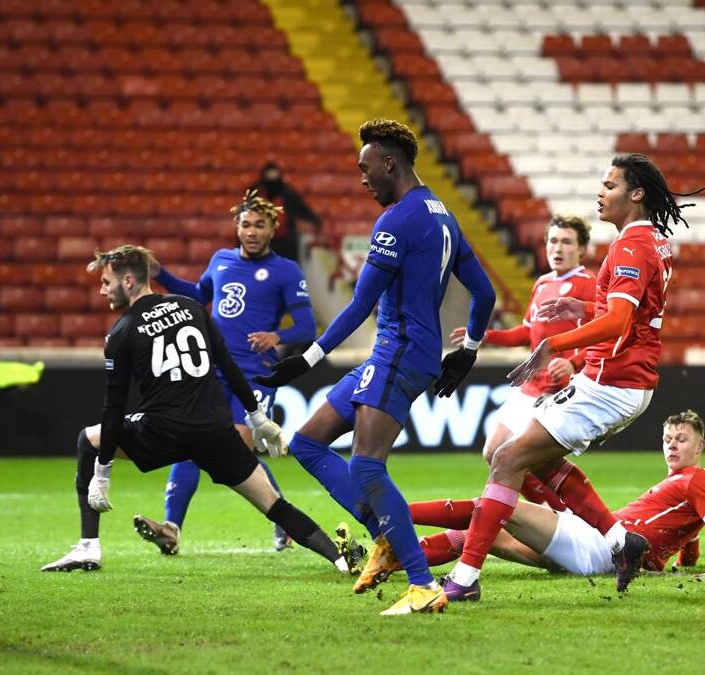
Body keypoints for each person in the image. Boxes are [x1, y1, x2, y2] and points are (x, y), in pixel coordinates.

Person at [254, 119, 497, 615]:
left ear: (390, 163)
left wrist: (308, 359)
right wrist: (467, 350)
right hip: (410, 353)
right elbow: (485, 292)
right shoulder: (443, 215)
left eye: (366, 168)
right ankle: (386, 535)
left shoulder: (397, 221)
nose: (362, 179)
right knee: (307, 441)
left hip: (399, 352)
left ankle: (423, 582)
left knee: (366, 466)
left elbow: (361, 303)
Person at [442, 154, 703, 602]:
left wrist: (556, 344)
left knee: (505, 459)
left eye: (610, 185)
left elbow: (620, 322)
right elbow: (632, 314)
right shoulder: (653, 242)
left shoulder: (630, 247)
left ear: (635, 195)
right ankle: (622, 540)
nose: (600, 193)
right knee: (531, 458)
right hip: (624, 380)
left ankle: (463, 580)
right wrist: (582, 310)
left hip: (611, 382)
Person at [40, 245, 352, 576]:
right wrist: (258, 418)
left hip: (163, 432)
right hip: (216, 432)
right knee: (275, 504)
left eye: (106, 282)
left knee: (87, 438)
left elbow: (114, 407)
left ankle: (89, 547)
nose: (102, 290)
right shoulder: (191, 308)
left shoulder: (122, 332)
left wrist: (102, 471)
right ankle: (342, 560)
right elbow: (227, 365)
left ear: (128, 281)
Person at [133, 189, 317, 554]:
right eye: (245, 224)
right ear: (236, 226)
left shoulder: (286, 270)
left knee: (234, 450)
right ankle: (171, 528)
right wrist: (161, 274)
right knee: (194, 444)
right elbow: (198, 295)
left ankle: (284, 520)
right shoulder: (220, 260)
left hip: (253, 374)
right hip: (211, 369)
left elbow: (308, 327)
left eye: (259, 225)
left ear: (272, 229)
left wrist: (276, 335)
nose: (251, 231)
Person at [401, 410, 705, 586]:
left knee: (494, 507)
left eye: (681, 439)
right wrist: (683, 562)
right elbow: (689, 530)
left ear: (700, 446)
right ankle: (393, 557)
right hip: (591, 547)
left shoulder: (698, 480)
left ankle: (395, 514)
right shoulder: (681, 485)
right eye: (667, 439)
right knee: (487, 533)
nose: (672, 445)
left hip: (600, 547)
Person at [449, 215, 596, 506]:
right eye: (553, 240)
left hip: (559, 391)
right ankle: (551, 513)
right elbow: (528, 331)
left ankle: (559, 515)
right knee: (493, 452)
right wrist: (482, 334)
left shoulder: (588, 285)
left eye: (567, 242)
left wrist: (573, 363)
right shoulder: (542, 284)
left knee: (526, 459)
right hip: (530, 385)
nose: (558, 248)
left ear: (581, 250)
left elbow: (605, 337)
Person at [249, 161, 322, 263]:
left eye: (274, 174)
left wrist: (314, 220)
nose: (272, 177)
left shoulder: (287, 193)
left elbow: (301, 208)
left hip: (285, 240)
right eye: (269, 174)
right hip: (261, 240)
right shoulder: (255, 192)